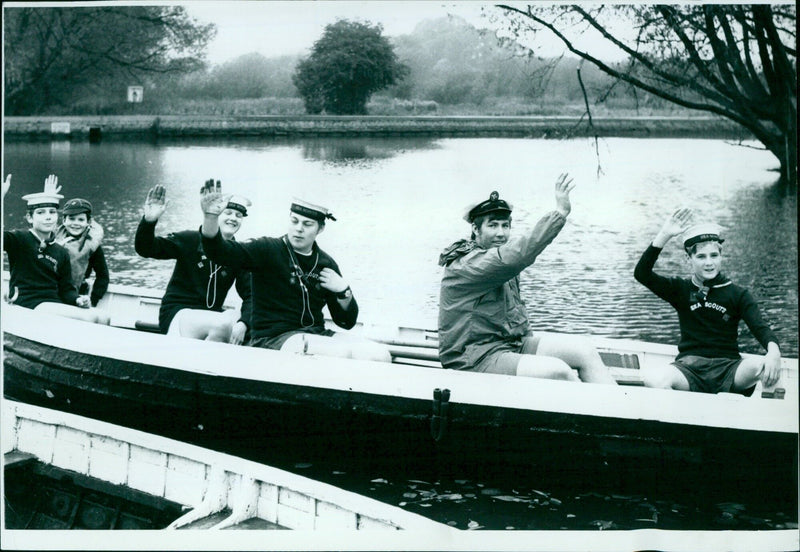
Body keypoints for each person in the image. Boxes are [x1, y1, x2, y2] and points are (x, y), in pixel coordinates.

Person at [437, 174, 617, 384]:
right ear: (475, 230)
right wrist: (559, 214)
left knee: (584, 351)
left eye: (505, 226)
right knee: (557, 370)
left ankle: (622, 411)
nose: (501, 233)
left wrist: (527, 350)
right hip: (474, 356)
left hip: (510, 344)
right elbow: (518, 254)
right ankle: (597, 413)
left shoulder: (498, 259)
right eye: (492, 225)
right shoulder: (468, 264)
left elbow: (515, 314)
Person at [199, 181, 391, 362]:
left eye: (307, 225)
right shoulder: (267, 249)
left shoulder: (326, 263)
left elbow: (346, 323)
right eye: (295, 221)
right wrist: (210, 217)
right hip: (272, 339)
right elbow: (220, 253)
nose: (299, 229)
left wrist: (344, 292)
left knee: (379, 354)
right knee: (338, 353)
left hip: (316, 334)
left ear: (320, 228)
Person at [633, 208, 782, 394]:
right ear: (689, 259)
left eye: (714, 255)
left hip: (730, 369)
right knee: (653, 379)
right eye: (701, 257)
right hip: (688, 370)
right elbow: (641, 274)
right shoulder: (680, 289)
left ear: (721, 256)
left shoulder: (739, 294)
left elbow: (760, 328)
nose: (708, 263)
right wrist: (664, 235)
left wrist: (773, 351)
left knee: (766, 366)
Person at [134, 182, 252, 343]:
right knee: (222, 324)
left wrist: (244, 323)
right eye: (228, 212)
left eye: (238, 216)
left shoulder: (238, 253)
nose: (233, 218)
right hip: (178, 313)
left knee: (235, 320)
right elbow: (146, 248)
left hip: (211, 317)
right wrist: (149, 221)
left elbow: (251, 295)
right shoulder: (189, 239)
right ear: (217, 214)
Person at [2, 174, 108, 324]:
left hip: (53, 302)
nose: (48, 217)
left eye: (52, 212)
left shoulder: (60, 250)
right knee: (89, 318)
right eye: (41, 212)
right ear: (29, 218)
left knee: (103, 317)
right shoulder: (19, 239)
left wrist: (78, 299)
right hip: (27, 302)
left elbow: (66, 289)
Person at [54, 197, 109, 307]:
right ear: (64, 220)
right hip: (50, 292)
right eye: (72, 219)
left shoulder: (93, 246)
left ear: (88, 222)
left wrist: (93, 300)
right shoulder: (52, 238)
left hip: (76, 296)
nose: (76, 223)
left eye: (81, 220)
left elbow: (103, 276)